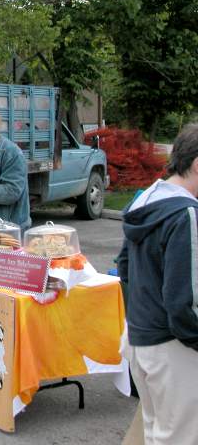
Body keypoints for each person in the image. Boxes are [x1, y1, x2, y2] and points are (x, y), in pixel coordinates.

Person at [119, 123, 198, 444]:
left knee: (155, 434)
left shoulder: (146, 199)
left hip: (140, 339)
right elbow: (184, 302)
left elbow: (124, 267)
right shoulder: (186, 215)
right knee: (178, 438)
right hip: (172, 347)